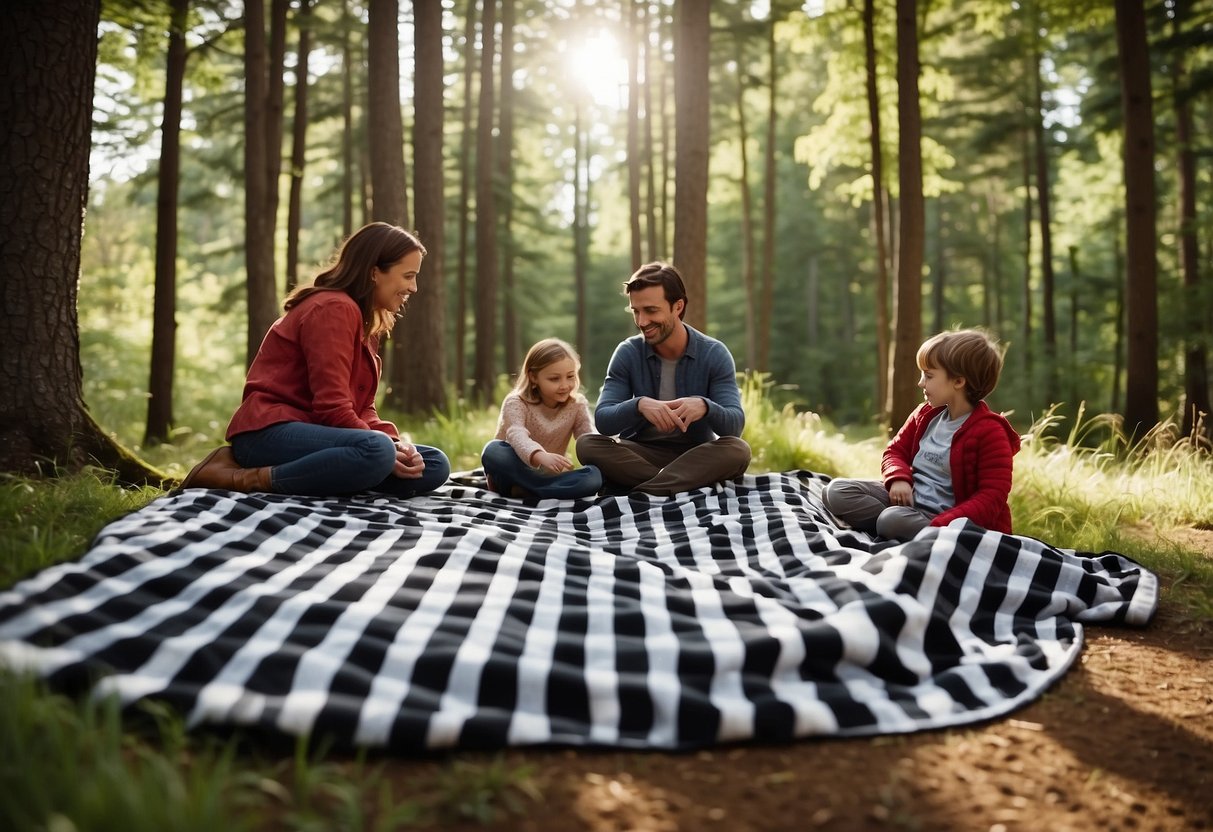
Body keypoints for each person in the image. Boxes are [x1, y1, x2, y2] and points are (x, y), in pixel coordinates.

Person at [179, 222, 450, 497]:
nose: (414, 287)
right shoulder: (334, 308)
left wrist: (397, 444)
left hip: (322, 433)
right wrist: (383, 447)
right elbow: (332, 406)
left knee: (433, 464)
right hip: (268, 434)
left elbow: (363, 407)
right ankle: (239, 477)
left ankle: (339, 472)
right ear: (374, 273)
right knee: (376, 450)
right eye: (408, 276)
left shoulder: (367, 321)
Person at [822, 328, 1021, 540]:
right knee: (835, 492)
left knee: (891, 520)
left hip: (944, 520)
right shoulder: (925, 414)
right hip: (906, 504)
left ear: (958, 381)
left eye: (928, 375)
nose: (920, 383)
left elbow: (991, 498)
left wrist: (941, 525)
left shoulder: (990, 432)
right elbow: (895, 451)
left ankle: (902, 529)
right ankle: (895, 527)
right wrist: (899, 479)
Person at [575, 261, 751, 495]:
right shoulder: (627, 352)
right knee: (587, 444)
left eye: (651, 310)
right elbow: (604, 421)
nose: (641, 322)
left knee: (738, 450)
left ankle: (642, 490)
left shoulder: (714, 353)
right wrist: (639, 405)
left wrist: (705, 406)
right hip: (640, 453)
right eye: (636, 311)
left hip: (695, 455)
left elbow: (734, 425)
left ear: (677, 306)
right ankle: (674, 485)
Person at [480, 338, 603, 500]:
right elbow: (516, 434)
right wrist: (540, 455)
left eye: (570, 376)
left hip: (550, 477)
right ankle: (541, 489)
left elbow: (588, 436)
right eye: (554, 378)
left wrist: (607, 447)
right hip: (513, 473)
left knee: (593, 477)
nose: (565, 385)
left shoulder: (577, 405)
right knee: (493, 450)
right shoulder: (516, 402)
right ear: (533, 377)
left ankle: (529, 491)